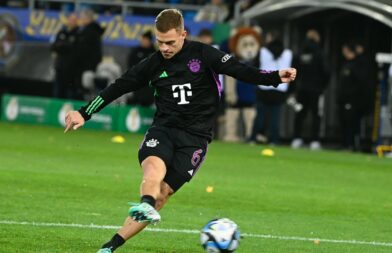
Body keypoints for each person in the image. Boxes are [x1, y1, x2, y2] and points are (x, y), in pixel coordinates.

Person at [64, 9, 296, 253]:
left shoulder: (204, 54)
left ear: (183, 34)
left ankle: (112, 244)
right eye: (160, 41)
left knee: (163, 194)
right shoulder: (153, 64)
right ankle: (143, 206)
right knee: (153, 169)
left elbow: (240, 70)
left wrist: (275, 77)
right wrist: (84, 112)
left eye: (170, 42)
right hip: (164, 129)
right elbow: (118, 87)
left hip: (196, 138)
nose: (164, 48)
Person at [249, 31, 294, 145]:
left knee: (260, 115)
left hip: (264, 87)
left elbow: (254, 68)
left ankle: (253, 138)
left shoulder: (263, 51)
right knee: (275, 117)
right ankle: (273, 140)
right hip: (280, 89)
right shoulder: (288, 53)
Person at [291, 29, 329, 150]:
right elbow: (327, 72)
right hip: (316, 90)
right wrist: (322, 86)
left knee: (299, 114)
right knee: (316, 115)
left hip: (301, 89)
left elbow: (293, 71)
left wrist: (294, 87)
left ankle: (296, 138)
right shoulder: (320, 53)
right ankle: (315, 140)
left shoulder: (300, 52)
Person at [337, 43, 365, 150]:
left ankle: (351, 144)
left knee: (351, 122)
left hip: (352, 99)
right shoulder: (345, 64)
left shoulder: (357, 65)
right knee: (343, 122)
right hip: (343, 98)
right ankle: (344, 143)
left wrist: (353, 97)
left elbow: (359, 83)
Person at [76, 8, 105, 100]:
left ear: (88, 18)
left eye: (83, 18)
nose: (81, 20)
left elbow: (86, 50)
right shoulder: (94, 30)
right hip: (92, 64)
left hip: (88, 66)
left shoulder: (89, 32)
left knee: (87, 88)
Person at [50, 13, 79, 99]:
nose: (71, 22)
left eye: (74, 20)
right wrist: (66, 45)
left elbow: (74, 48)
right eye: (70, 19)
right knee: (57, 91)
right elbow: (53, 46)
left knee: (70, 92)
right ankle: (55, 110)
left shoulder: (78, 33)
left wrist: (61, 45)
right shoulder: (62, 32)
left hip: (72, 68)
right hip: (60, 67)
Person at [127, 31, 156, 106]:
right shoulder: (135, 51)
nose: (143, 41)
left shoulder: (154, 52)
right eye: (142, 39)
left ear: (149, 41)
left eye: (145, 40)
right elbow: (130, 64)